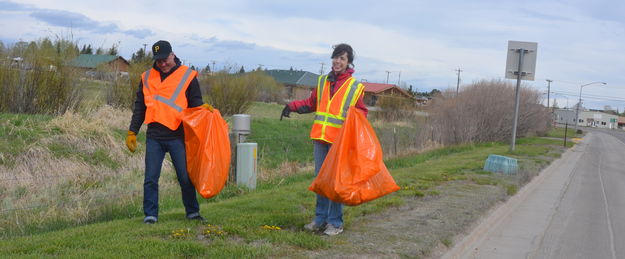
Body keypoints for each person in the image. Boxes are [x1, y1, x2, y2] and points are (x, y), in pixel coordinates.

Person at [280, 43, 368, 235]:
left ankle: (335, 223)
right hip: (320, 139)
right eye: (335, 57)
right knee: (321, 181)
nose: (337, 61)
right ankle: (320, 220)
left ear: (348, 62)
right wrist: (291, 106)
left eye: (342, 58)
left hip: (339, 143)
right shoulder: (322, 82)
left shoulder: (355, 87)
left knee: (335, 182)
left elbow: (361, 113)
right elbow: (312, 103)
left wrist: (354, 128)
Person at [126, 40, 213, 224]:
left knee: (185, 177)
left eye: (165, 59)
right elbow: (140, 107)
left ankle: (192, 212)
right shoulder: (147, 77)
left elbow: (195, 103)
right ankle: (150, 215)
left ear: (172, 55)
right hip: (154, 136)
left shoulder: (187, 76)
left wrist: (202, 110)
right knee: (150, 178)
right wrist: (132, 131)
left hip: (178, 135)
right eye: (159, 61)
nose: (162, 64)